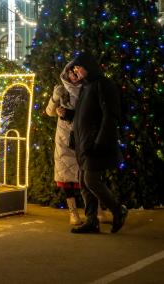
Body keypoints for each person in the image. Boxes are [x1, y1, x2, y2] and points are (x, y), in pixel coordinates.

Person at [70, 52, 128, 234]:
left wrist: (100, 142)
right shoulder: (86, 87)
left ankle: (118, 210)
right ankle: (91, 220)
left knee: (90, 180)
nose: (76, 71)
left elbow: (109, 116)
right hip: (84, 143)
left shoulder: (103, 85)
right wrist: (69, 117)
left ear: (87, 67)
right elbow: (83, 116)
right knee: (83, 181)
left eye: (78, 68)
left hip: (95, 143)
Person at [46, 62, 83, 225]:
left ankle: (96, 210)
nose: (73, 76)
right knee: (66, 175)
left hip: (81, 135)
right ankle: (73, 213)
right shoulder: (61, 90)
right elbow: (49, 112)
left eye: (76, 72)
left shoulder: (86, 88)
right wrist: (55, 99)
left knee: (87, 175)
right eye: (71, 73)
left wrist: (70, 113)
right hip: (63, 137)